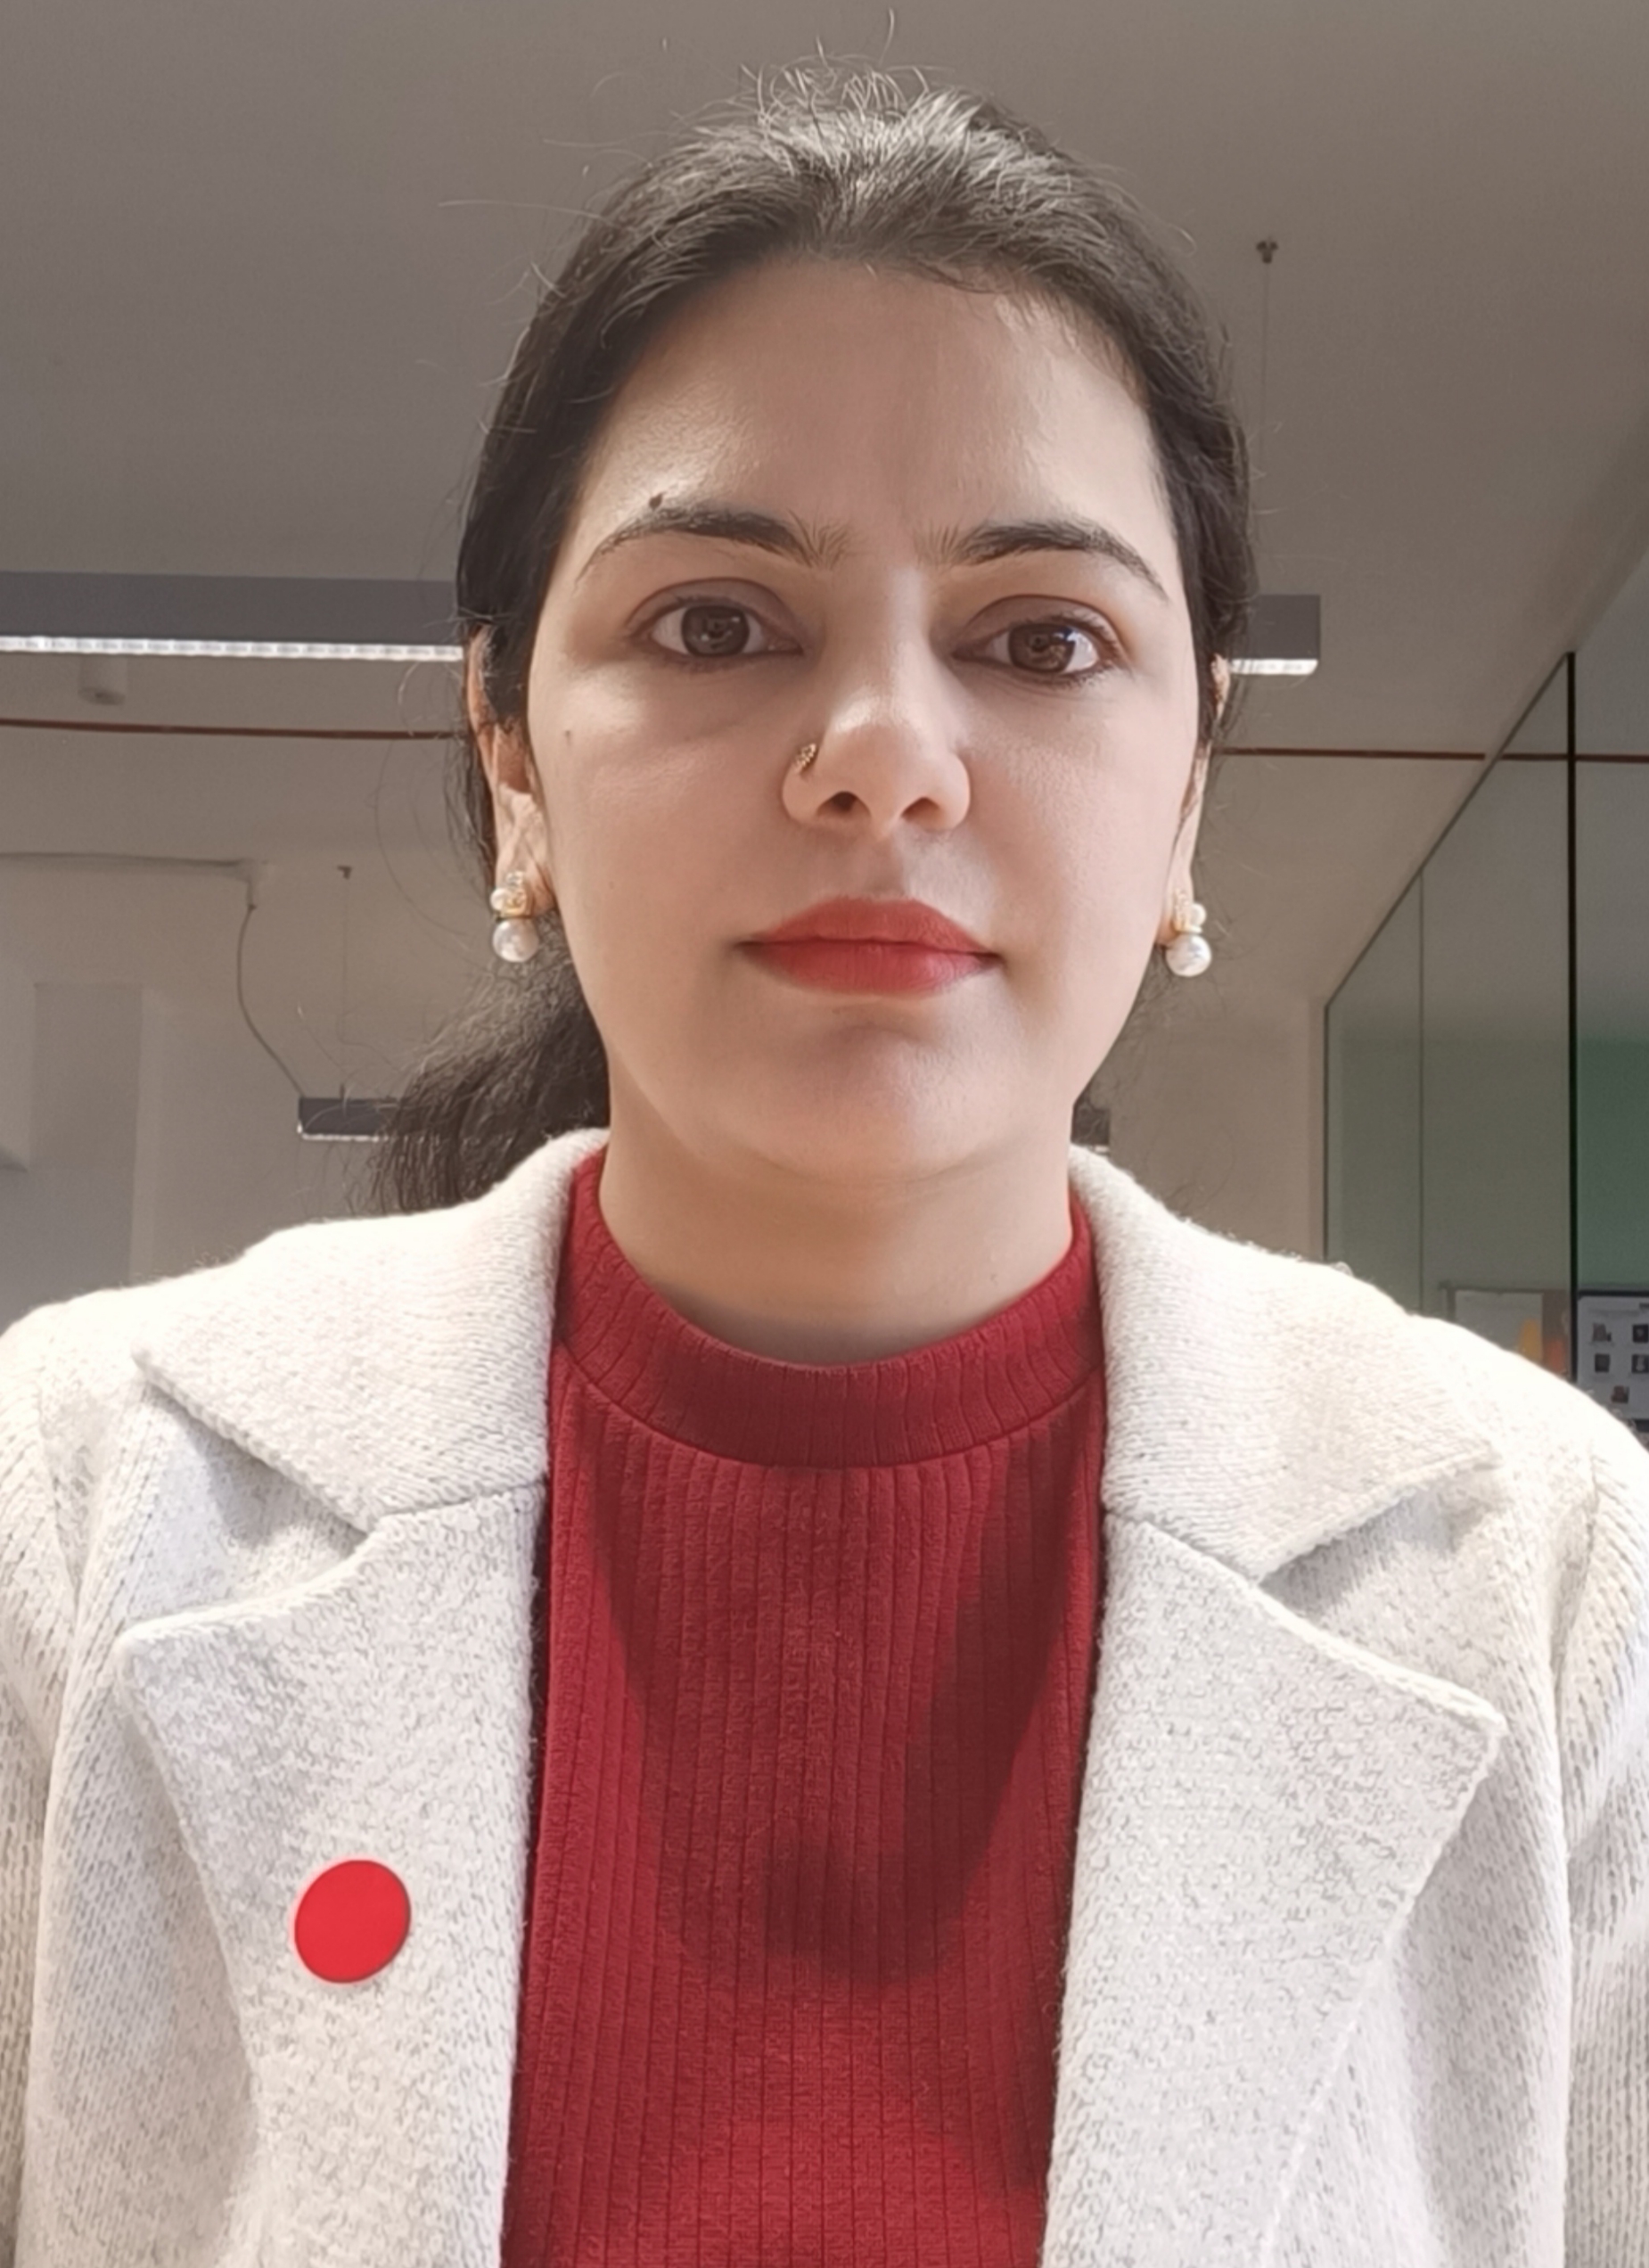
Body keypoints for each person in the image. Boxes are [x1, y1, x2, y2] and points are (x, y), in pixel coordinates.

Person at [2, 67, 1645, 2268]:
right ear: (511, 754)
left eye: (1040, 641)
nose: (881, 751)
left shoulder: (1558, 1592)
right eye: (714, 623)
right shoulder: (72, 1515)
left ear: (1185, 797)